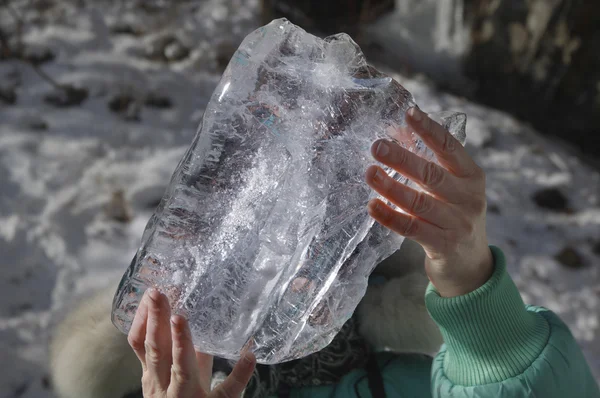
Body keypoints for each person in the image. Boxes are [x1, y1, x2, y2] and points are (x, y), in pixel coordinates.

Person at [49, 107, 600, 398]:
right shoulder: (141, 390)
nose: (289, 261)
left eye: (326, 223)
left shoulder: (413, 384)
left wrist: (473, 288)